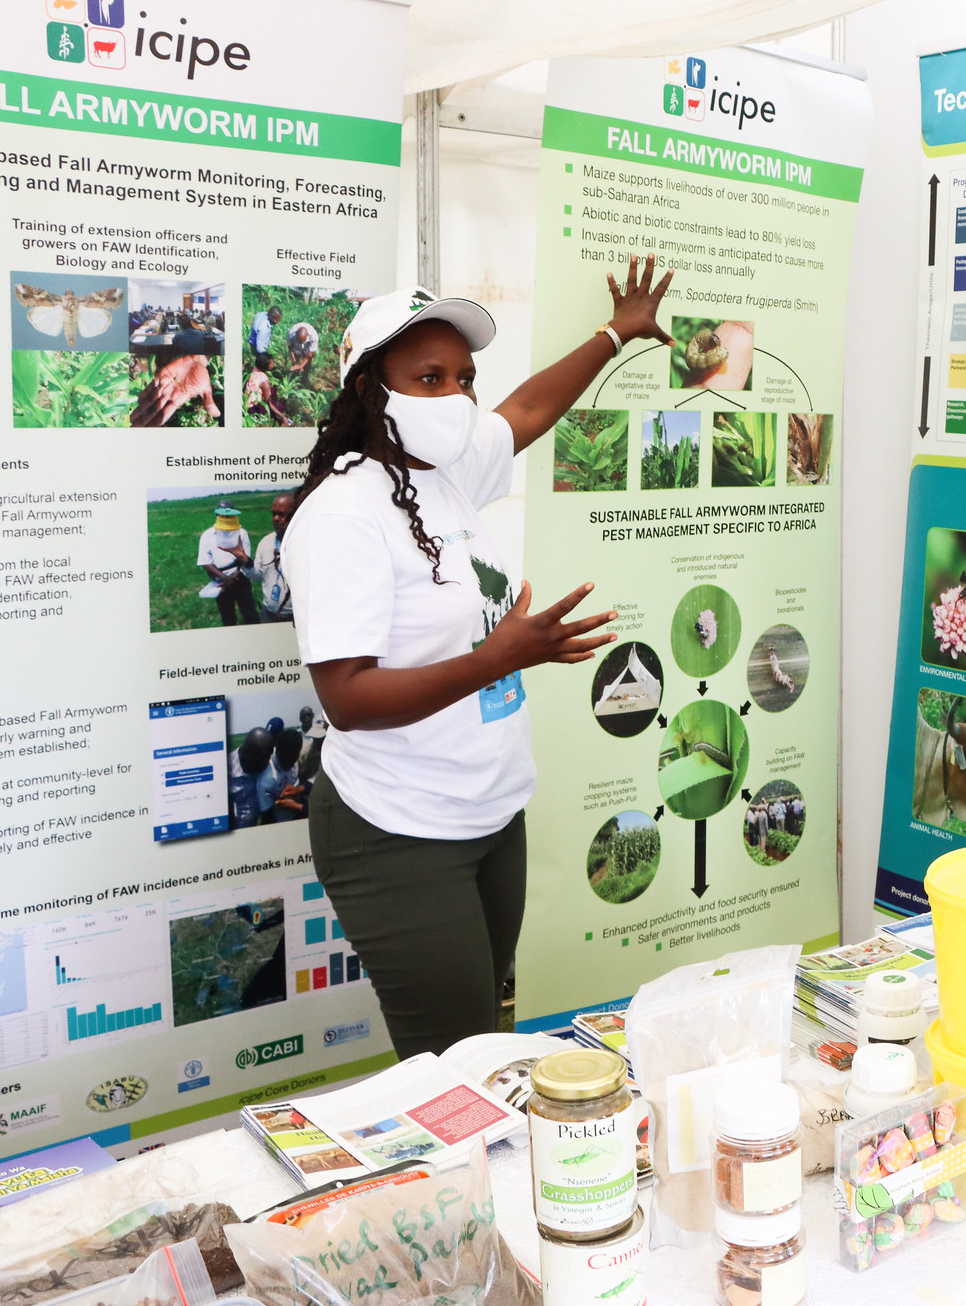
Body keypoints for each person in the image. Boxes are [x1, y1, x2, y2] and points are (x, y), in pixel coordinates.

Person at [282, 256, 673, 1057]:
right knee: (451, 1070)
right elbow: (348, 700)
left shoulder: (447, 470)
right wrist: (500, 658)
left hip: (491, 814)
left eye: (462, 377)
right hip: (398, 829)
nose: (455, 397)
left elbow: (528, 406)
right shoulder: (344, 514)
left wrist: (614, 334)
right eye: (428, 377)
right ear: (369, 389)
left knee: (486, 1039)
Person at [199, 502, 259, 626]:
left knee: (250, 615)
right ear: (217, 516)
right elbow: (205, 562)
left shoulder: (242, 533)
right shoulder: (208, 535)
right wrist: (224, 578)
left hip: (240, 578)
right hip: (220, 581)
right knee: (227, 617)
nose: (225, 518)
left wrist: (233, 577)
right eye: (221, 515)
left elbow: (245, 558)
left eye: (228, 516)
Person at [250, 493, 294, 623]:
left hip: (296, 617)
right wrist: (245, 562)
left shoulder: (304, 543)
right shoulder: (266, 542)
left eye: (281, 514)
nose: (275, 519)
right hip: (269, 614)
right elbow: (257, 575)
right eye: (273, 514)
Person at [258, 727, 309, 823]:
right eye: (283, 757)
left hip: (299, 814)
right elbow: (267, 817)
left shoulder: (294, 759)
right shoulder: (267, 779)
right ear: (276, 750)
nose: (287, 763)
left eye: (292, 758)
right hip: (281, 822)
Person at [228, 728, 270, 828]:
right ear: (246, 752)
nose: (265, 764)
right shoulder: (227, 770)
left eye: (267, 757)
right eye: (261, 758)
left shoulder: (263, 763)